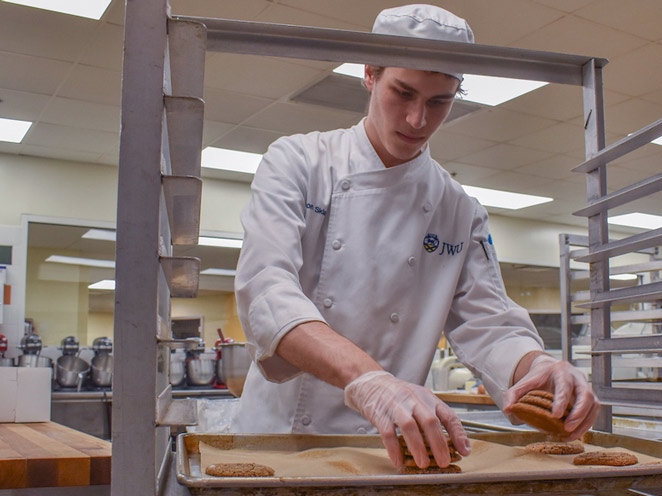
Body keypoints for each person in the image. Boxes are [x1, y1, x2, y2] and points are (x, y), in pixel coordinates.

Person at [232, 4, 600, 470]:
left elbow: (489, 325)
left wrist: (539, 367)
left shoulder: (458, 209)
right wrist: (370, 381)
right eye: (402, 93)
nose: (416, 120)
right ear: (369, 74)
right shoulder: (298, 162)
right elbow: (267, 292)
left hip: (392, 451)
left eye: (438, 101)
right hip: (280, 444)